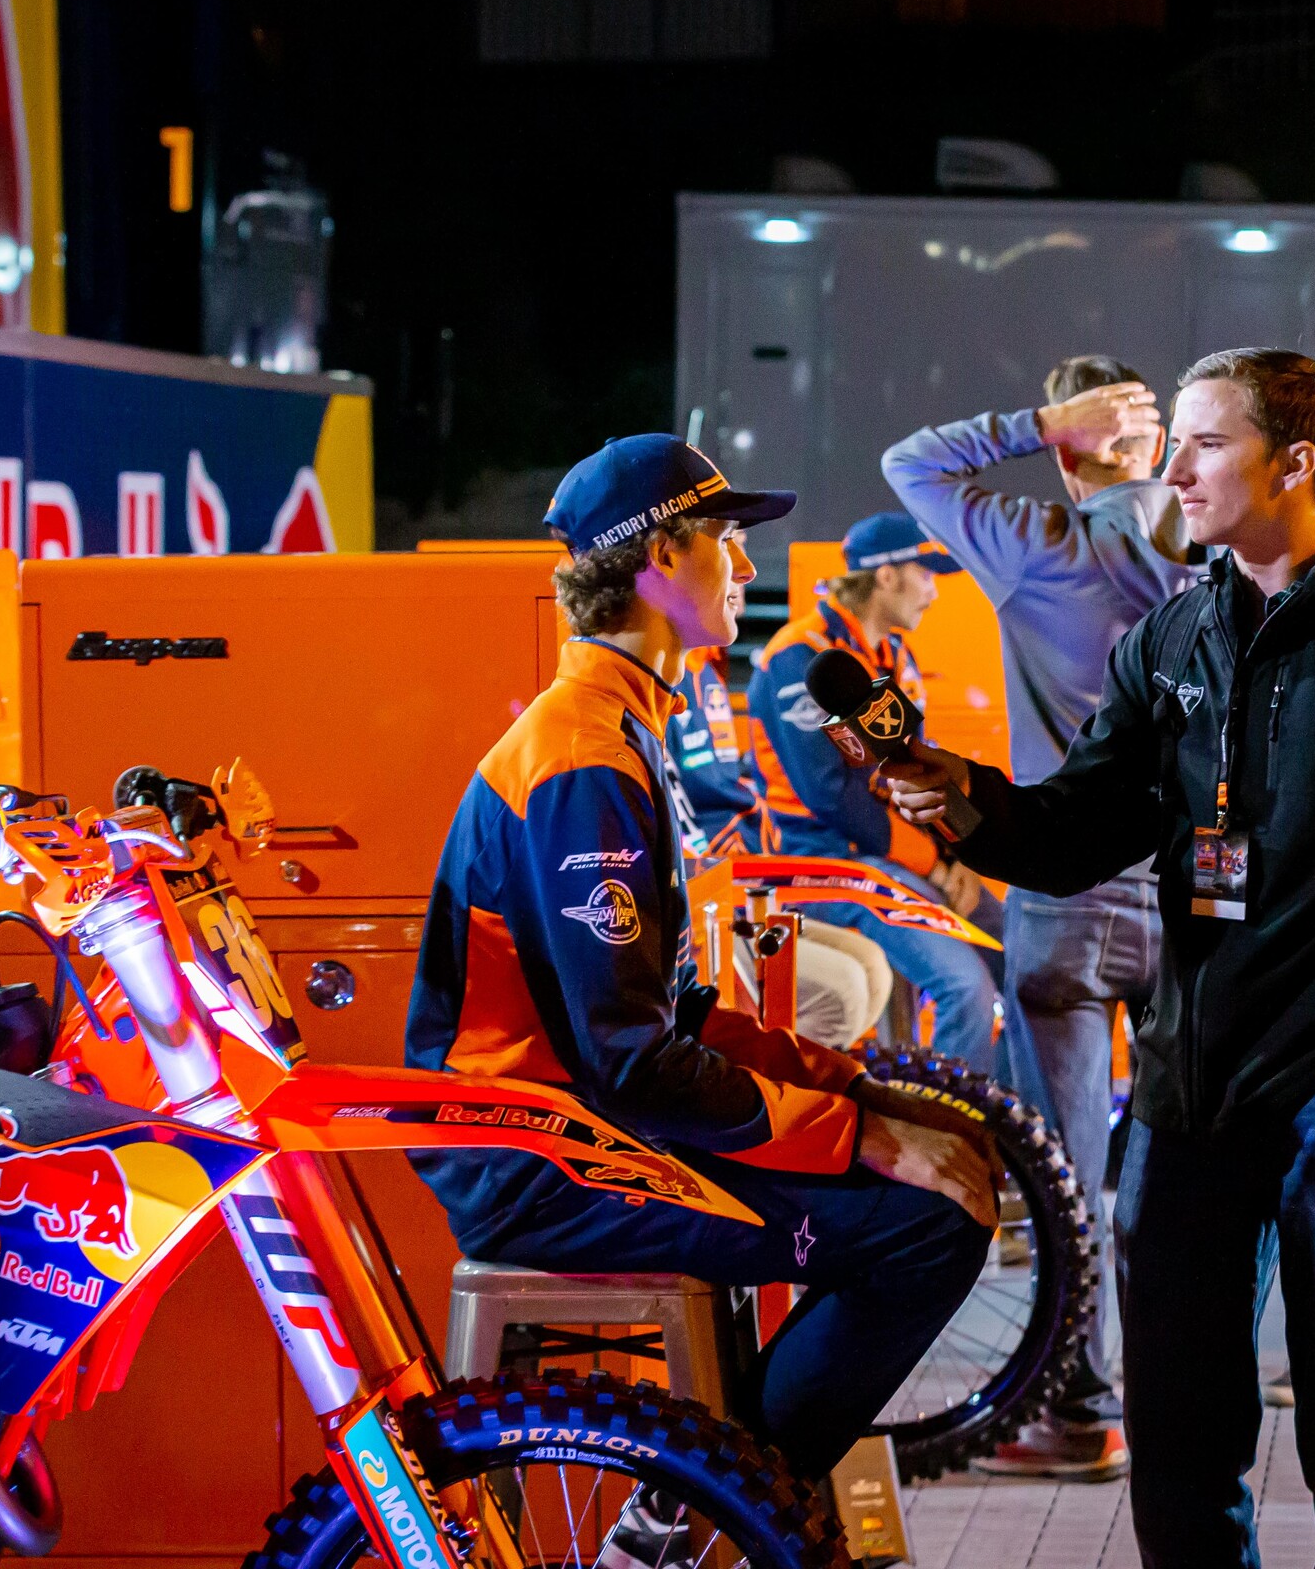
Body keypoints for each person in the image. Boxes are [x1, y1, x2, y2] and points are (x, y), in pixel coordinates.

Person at [886, 348, 1315, 1568]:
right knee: (1180, 1435)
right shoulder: (1176, 632)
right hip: (1190, 1093)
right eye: (1171, 439)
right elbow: (1080, 826)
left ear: (1298, 463)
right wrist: (960, 797)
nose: (1172, 468)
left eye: (1206, 443)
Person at [403, 435, 995, 1555]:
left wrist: (852, 1089)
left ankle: (706, 1489)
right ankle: (692, 1509)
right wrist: (859, 1136)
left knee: (936, 1167)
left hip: (591, 1125)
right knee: (927, 1228)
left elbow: (669, 1019)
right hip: (541, 1161)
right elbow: (635, 1061)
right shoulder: (582, 754)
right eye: (727, 539)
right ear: (662, 555)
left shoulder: (625, 725)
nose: (742, 566)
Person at [879, 353, 1201, 1479]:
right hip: (1193, 895)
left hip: (1062, 896)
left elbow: (909, 462)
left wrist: (1033, 421)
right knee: (1192, 1157)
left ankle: (1082, 1412)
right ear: (1156, 444)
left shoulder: (1041, 546)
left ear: (1067, 452)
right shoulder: (1209, 542)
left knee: (1067, 1169)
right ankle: (1205, 1389)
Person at [742, 512, 1007, 1072]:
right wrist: (936, 867)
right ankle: (950, 1138)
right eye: (926, 574)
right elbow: (833, 797)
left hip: (892, 858)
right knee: (967, 992)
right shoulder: (801, 659)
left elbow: (917, 772)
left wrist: (960, 857)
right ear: (886, 577)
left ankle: (1020, 1127)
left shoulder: (892, 659)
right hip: (817, 864)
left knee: (1022, 950)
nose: (934, 592)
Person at [665, 643, 894, 1047]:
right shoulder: (673, 674)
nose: (744, 578)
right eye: (922, 575)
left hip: (752, 877)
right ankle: (779, 1101)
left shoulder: (704, 666)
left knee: (873, 968)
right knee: (850, 990)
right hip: (713, 899)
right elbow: (827, 794)